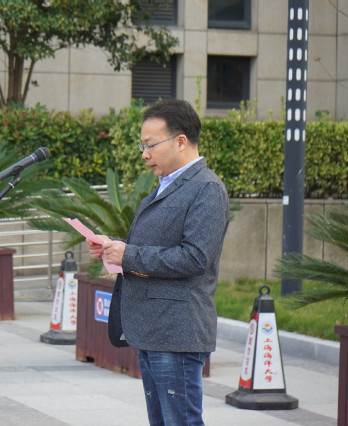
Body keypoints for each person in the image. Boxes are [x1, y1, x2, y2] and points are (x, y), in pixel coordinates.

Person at [87, 99, 229, 426]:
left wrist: (128, 254)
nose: (144, 154)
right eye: (142, 146)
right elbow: (153, 248)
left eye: (150, 145)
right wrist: (112, 247)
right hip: (153, 328)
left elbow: (195, 258)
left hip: (176, 331)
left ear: (180, 141)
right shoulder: (167, 186)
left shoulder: (206, 189)